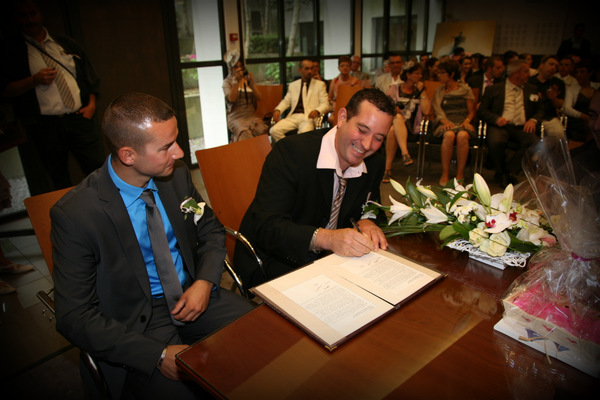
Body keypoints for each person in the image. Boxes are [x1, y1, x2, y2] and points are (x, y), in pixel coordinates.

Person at [51, 92, 255, 399]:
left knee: (261, 339)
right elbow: (73, 316)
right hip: (135, 323)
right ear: (128, 155)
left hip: (192, 294)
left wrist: (204, 281)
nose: (180, 152)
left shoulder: (176, 177)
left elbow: (211, 229)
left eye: (176, 140)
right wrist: (156, 355)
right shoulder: (77, 214)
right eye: (166, 147)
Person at [234, 89, 395, 288]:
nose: (367, 144)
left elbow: (373, 208)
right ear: (342, 118)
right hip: (275, 260)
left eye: (378, 138)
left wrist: (368, 220)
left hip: (333, 261)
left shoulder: (374, 163)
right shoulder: (290, 153)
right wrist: (327, 238)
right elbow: (267, 227)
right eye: (362, 130)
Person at [0, 0, 104, 194]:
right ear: (16, 18)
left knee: (97, 167)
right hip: (45, 124)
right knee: (58, 175)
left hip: (79, 117)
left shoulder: (64, 43)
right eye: (23, 15)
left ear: (40, 13)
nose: (29, 20)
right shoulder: (11, 50)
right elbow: (5, 90)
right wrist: (34, 80)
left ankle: (108, 205)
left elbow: (89, 76)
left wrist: (91, 105)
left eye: (33, 14)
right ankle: (68, 210)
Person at [478, 59, 543, 186]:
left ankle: (508, 172)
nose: (529, 74)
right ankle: (502, 172)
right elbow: (482, 110)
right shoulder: (494, 89)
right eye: (526, 71)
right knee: (496, 141)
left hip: (522, 126)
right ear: (516, 73)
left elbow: (540, 110)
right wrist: (496, 119)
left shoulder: (532, 89)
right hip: (500, 125)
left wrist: (533, 120)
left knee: (534, 142)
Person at [382, 61, 431, 183]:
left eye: (421, 74)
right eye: (417, 73)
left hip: (412, 126)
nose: (420, 76)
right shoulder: (394, 89)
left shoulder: (419, 91)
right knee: (395, 122)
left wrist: (422, 91)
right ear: (408, 74)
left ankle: (387, 169)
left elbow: (426, 111)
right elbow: (385, 106)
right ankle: (405, 154)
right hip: (394, 124)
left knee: (395, 125)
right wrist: (394, 108)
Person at [431, 60, 476, 186]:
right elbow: (437, 111)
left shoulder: (465, 90)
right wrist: (444, 121)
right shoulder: (438, 91)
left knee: (462, 135)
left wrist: (467, 121)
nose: (439, 75)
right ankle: (445, 173)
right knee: (449, 135)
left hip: (462, 121)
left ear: (451, 74)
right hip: (444, 121)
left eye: (442, 73)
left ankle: (460, 173)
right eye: (438, 73)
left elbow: (471, 112)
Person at [269, 59, 330, 142]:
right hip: (293, 116)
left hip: (308, 117)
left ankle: (296, 148)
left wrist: (317, 110)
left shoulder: (320, 85)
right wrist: (278, 110)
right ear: (300, 70)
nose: (310, 71)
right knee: (274, 130)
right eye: (306, 68)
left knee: (304, 134)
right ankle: (289, 147)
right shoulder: (293, 85)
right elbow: (286, 101)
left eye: (311, 68)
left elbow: (325, 104)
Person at [222, 51, 267, 142]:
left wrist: (252, 83)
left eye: (240, 66)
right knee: (245, 133)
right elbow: (232, 99)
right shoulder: (227, 82)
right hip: (236, 117)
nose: (239, 69)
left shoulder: (247, 79)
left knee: (261, 129)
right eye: (236, 67)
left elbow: (259, 97)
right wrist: (236, 83)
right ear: (231, 68)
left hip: (251, 115)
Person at [528, 55, 565, 138]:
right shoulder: (529, 81)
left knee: (559, 134)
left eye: (556, 66)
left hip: (549, 117)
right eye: (551, 64)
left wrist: (554, 99)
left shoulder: (558, 83)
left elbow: (560, 105)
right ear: (541, 65)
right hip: (531, 116)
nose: (553, 68)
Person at [564, 60, 599, 142]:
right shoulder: (571, 89)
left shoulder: (596, 87)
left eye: (582, 72)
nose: (579, 75)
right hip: (578, 122)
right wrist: (583, 116)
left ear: (590, 73)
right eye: (577, 72)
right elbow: (567, 108)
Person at [328, 55, 361, 125]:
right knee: (331, 119)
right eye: (342, 66)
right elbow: (329, 98)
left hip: (351, 110)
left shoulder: (355, 81)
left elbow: (359, 98)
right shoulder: (335, 81)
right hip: (338, 109)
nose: (345, 68)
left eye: (347, 66)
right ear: (338, 68)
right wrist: (334, 103)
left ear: (350, 67)